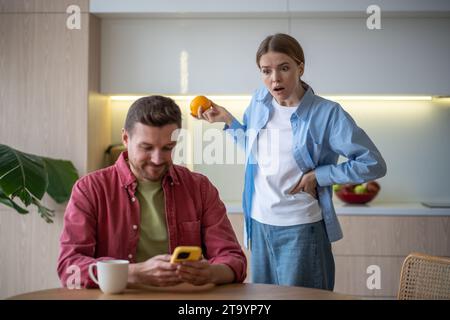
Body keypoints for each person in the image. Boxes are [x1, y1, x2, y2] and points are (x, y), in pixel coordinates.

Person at [195, 33, 386, 290]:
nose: (275, 79)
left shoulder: (327, 114)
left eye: (284, 68)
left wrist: (319, 176)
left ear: (300, 67)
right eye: (266, 71)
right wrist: (229, 120)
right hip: (259, 224)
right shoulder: (259, 101)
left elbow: (372, 163)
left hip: (302, 229)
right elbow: (258, 153)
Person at [57, 95, 247, 288]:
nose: (157, 159)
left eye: (167, 148)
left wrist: (211, 273)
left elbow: (234, 260)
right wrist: (133, 274)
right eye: (147, 147)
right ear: (125, 138)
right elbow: (69, 268)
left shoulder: (199, 188)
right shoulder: (90, 189)